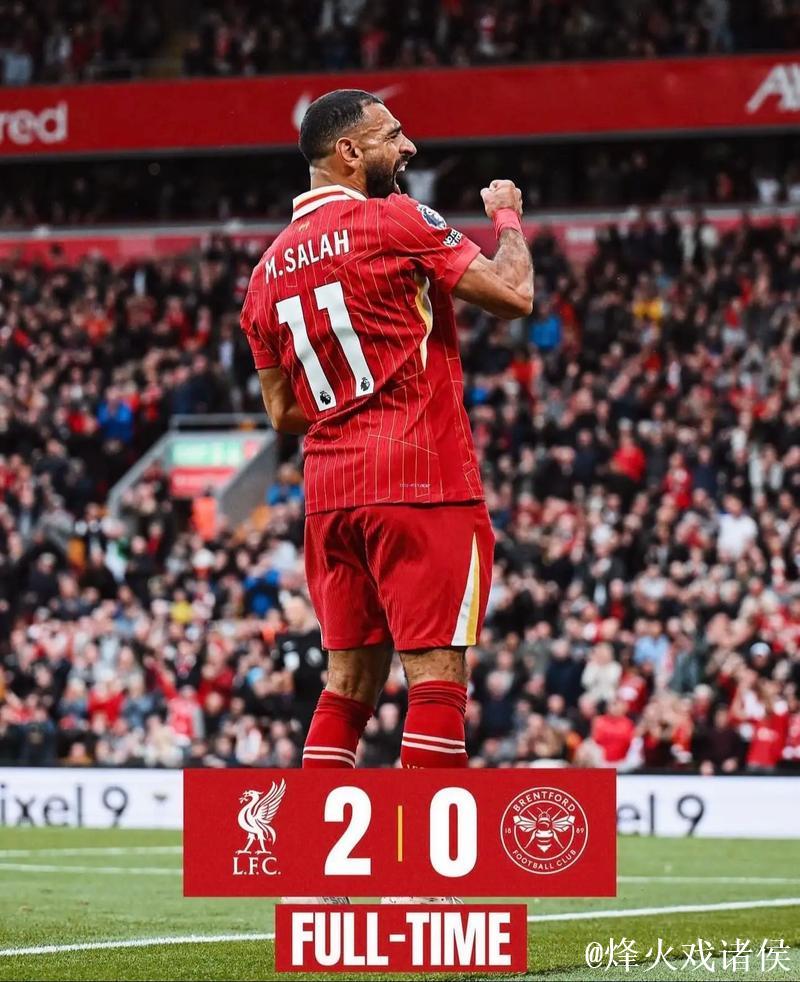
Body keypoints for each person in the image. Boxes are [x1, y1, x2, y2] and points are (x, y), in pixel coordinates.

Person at [241, 89, 532, 899]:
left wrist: (350, 390)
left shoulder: (264, 275)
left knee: (345, 687)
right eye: (392, 134)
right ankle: (427, 886)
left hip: (329, 495)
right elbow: (514, 296)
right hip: (420, 479)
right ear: (348, 152)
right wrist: (507, 217)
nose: (408, 146)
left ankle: (316, 878)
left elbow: (283, 412)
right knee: (435, 677)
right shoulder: (395, 220)